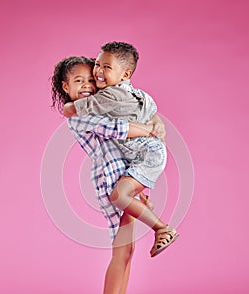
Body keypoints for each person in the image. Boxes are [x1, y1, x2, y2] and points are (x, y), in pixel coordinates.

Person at [51, 56, 165, 294]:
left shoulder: (101, 106)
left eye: (91, 79)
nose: (88, 85)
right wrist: (151, 129)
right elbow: (121, 130)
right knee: (120, 250)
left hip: (122, 176)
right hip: (109, 181)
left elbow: (131, 116)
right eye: (79, 81)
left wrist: (154, 120)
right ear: (66, 86)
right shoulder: (80, 116)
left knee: (128, 250)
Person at [63, 42, 179, 259]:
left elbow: (82, 108)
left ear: (125, 74)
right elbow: (150, 110)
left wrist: (67, 107)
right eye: (97, 64)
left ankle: (162, 228)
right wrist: (156, 123)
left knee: (119, 195)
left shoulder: (110, 96)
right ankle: (142, 205)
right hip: (146, 153)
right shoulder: (136, 93)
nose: (98, 71)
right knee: (123, 197)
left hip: (146, 154)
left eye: (106, 67)